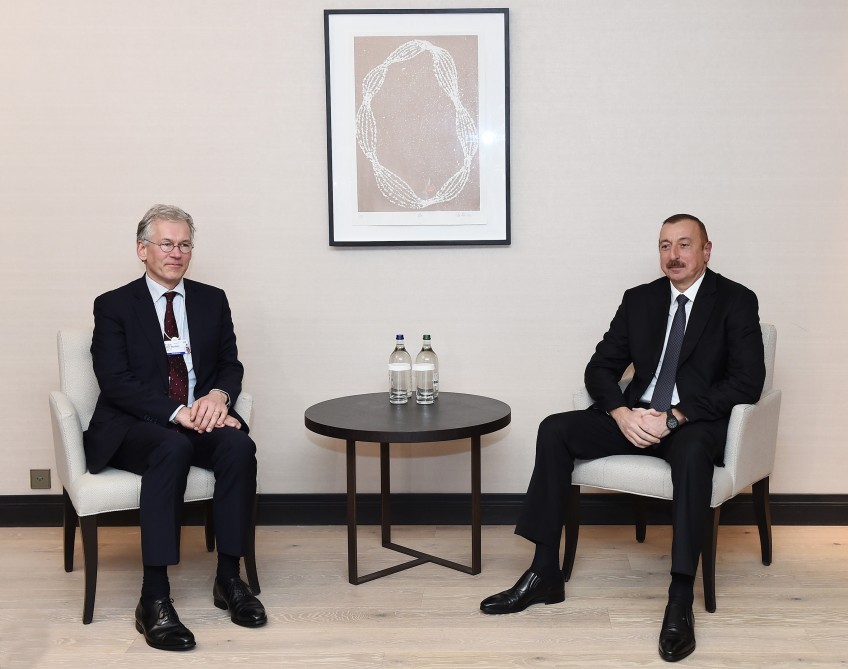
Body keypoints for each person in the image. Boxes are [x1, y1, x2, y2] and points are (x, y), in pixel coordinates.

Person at [480, 214, 765, 662]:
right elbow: (599, 367)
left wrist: (676, 417)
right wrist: (621, 413)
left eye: (684, 244)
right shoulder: (639, 300)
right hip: (636, 417)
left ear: (706, 250)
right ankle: (544, 572)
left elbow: (747, 382)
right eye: (665, 245)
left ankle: (679, 598)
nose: (673, 255)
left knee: (693, 456)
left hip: (692, 423)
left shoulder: (735, 300)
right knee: (555, 429)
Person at [84, 205, 266, 651]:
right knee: (172, 447)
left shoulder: (211, 300)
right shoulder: (113, 305)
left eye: (184, 244)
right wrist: (176, 412)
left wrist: (218, 397)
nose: (176, 253)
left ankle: (229, 578)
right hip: (134, 425)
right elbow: (115, 382)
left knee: (238, 447)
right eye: (166, 243)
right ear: (142, 249)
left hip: (195, 417)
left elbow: (229, 364)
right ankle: (154, 598)